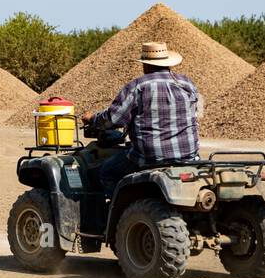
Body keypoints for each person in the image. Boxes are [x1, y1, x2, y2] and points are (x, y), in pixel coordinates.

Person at [81, 41, 201, 197]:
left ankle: (120, 216)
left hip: (150, 157)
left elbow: (112, 119)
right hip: (189, 156)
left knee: (107, 172)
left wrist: (92, 119)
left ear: (145, 65)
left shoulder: (137, 86)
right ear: (168, 63)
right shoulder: (187, 83)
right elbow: (195, 114)